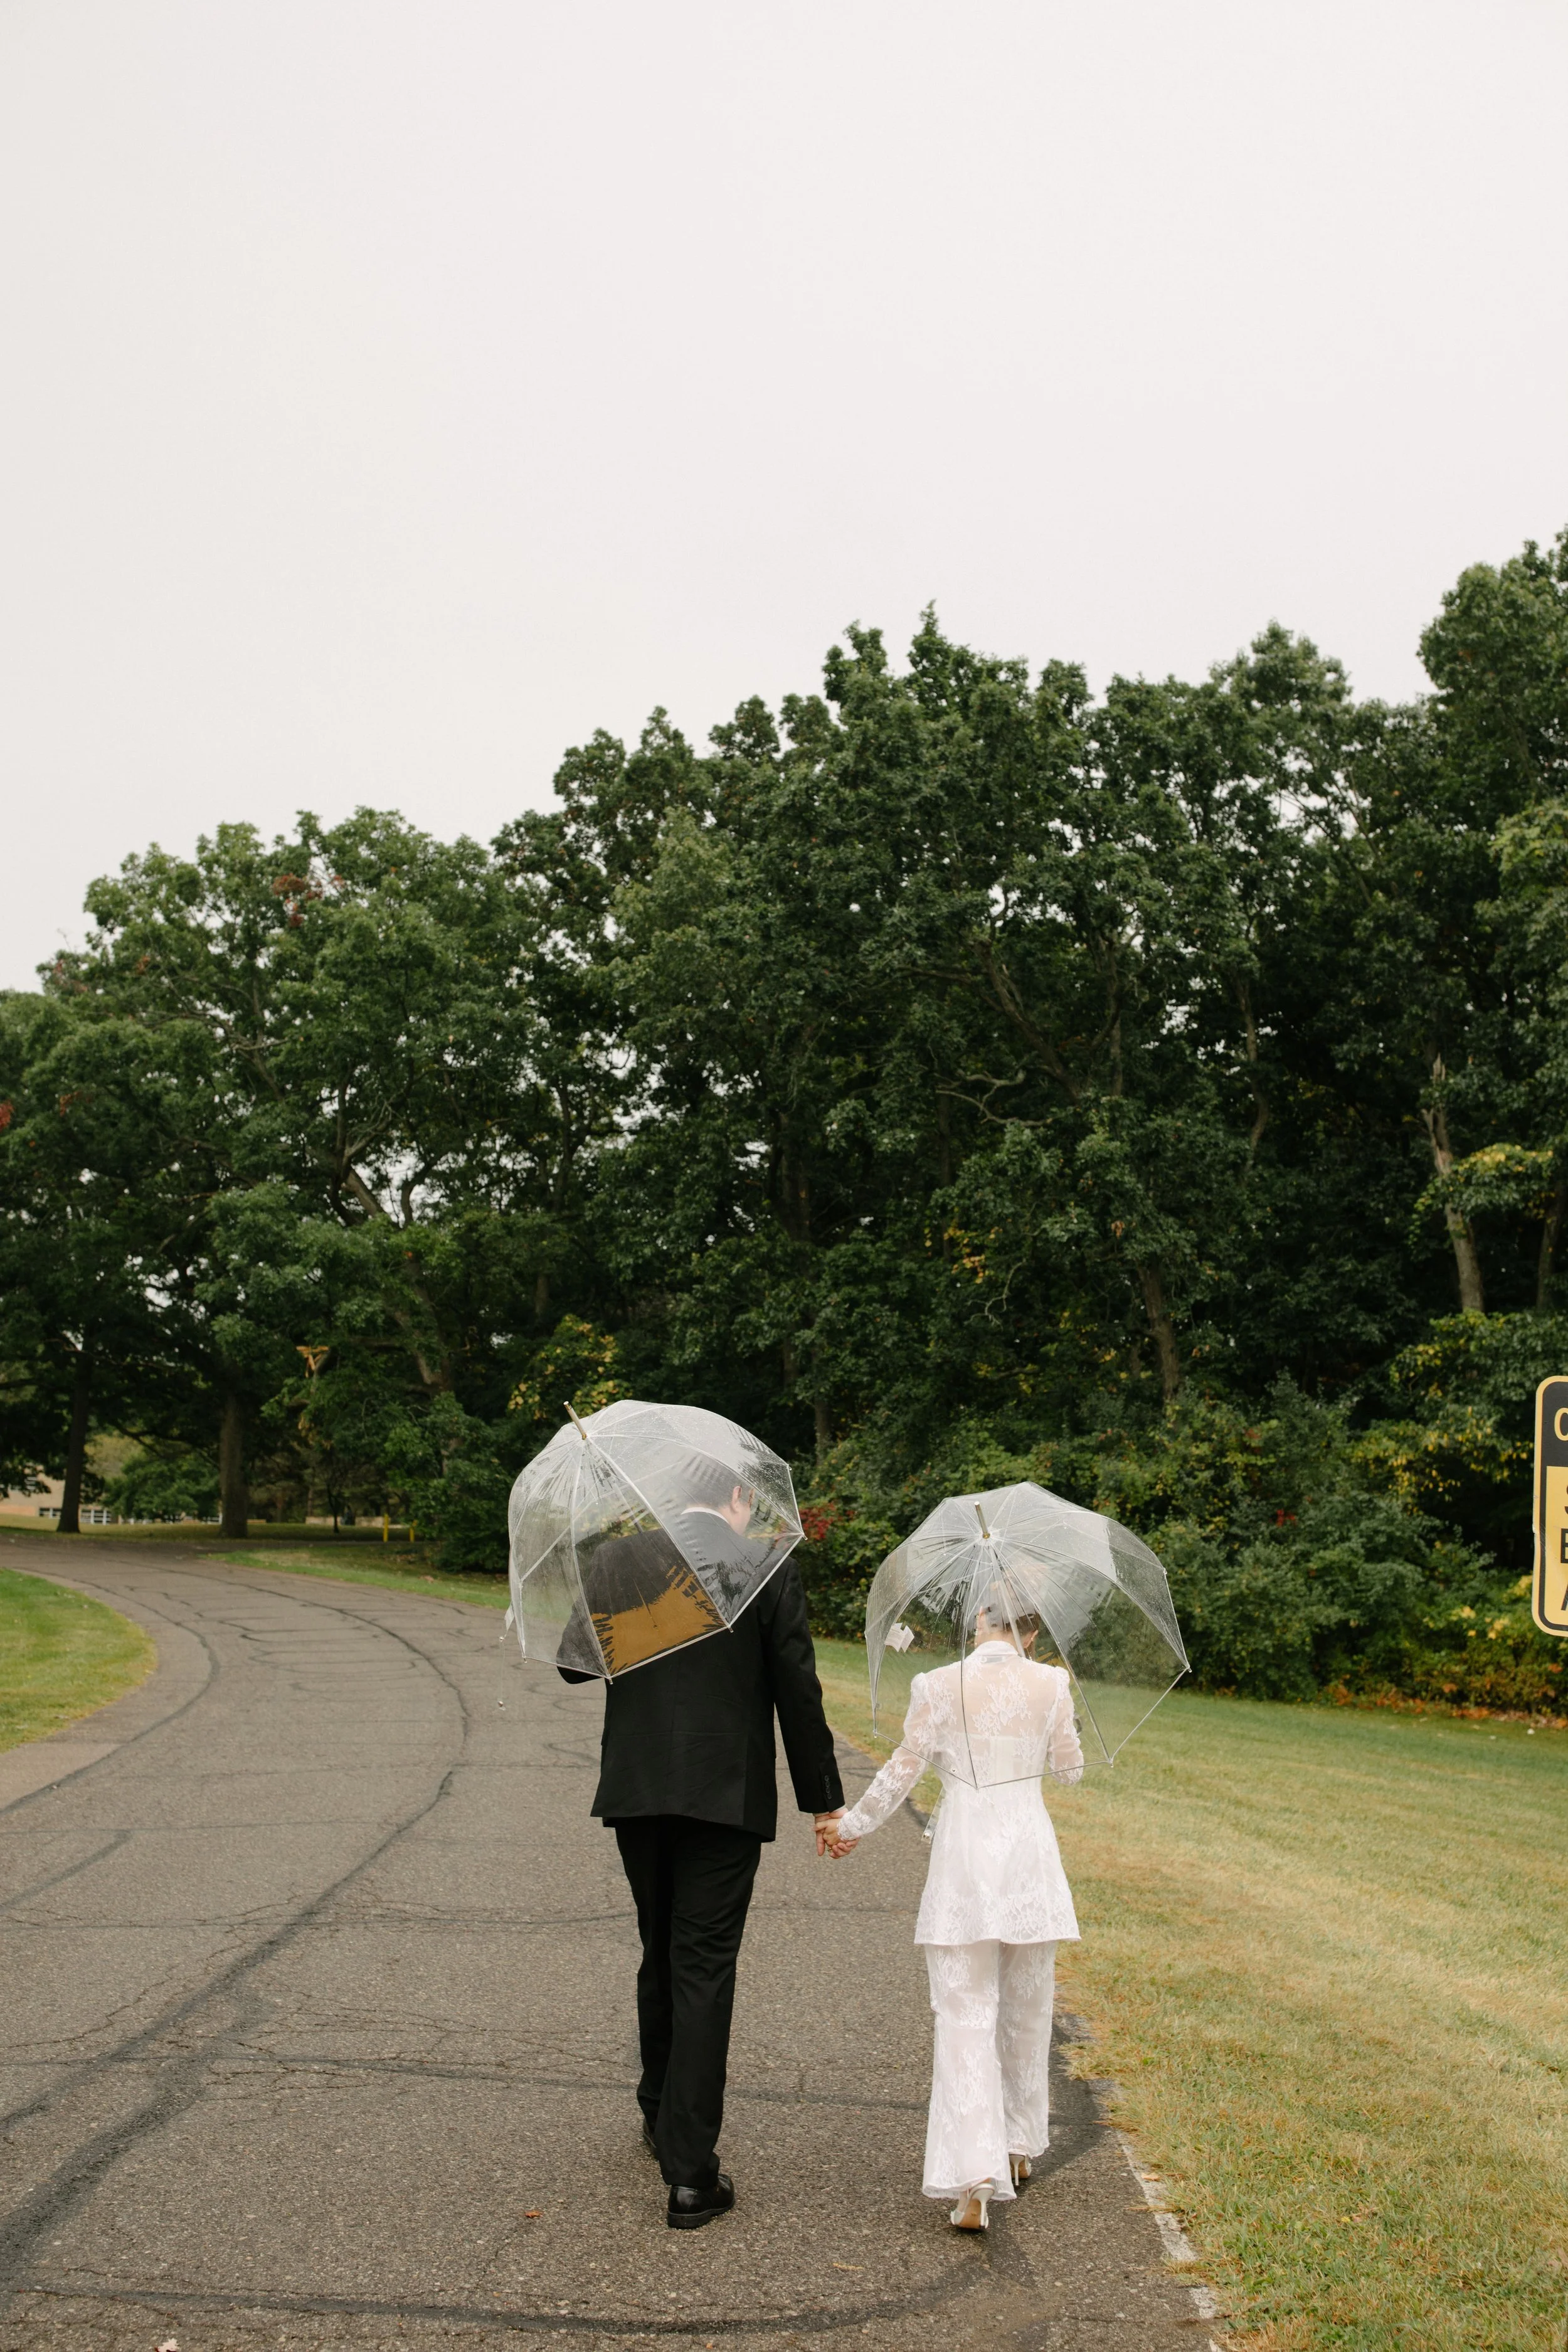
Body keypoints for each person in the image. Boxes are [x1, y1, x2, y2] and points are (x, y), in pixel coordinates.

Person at [559, 1466, 844, 2228]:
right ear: (739, 1498)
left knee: (661, 1946)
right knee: (702, 1966)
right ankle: (690, 2174)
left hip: (639, 1788)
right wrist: (824, 1799)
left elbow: (573, 1663)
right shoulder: (764, 1564)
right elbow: (797, 1687)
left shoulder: (621, 1559)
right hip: (724, 1796)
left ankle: (660, 2113)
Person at [824, 1603, 1083, 2230]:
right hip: (1028, 1864)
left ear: (977, 1623)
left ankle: (975, 2176)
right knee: (1027, 2012)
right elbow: (1070, 1773)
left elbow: (903, 1769)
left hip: (965, 1864)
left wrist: (850, 1824)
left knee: (965, 2015)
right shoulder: (1052, 1684)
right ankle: (1018, 2143)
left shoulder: (937, 1684)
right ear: (1030, 1632)